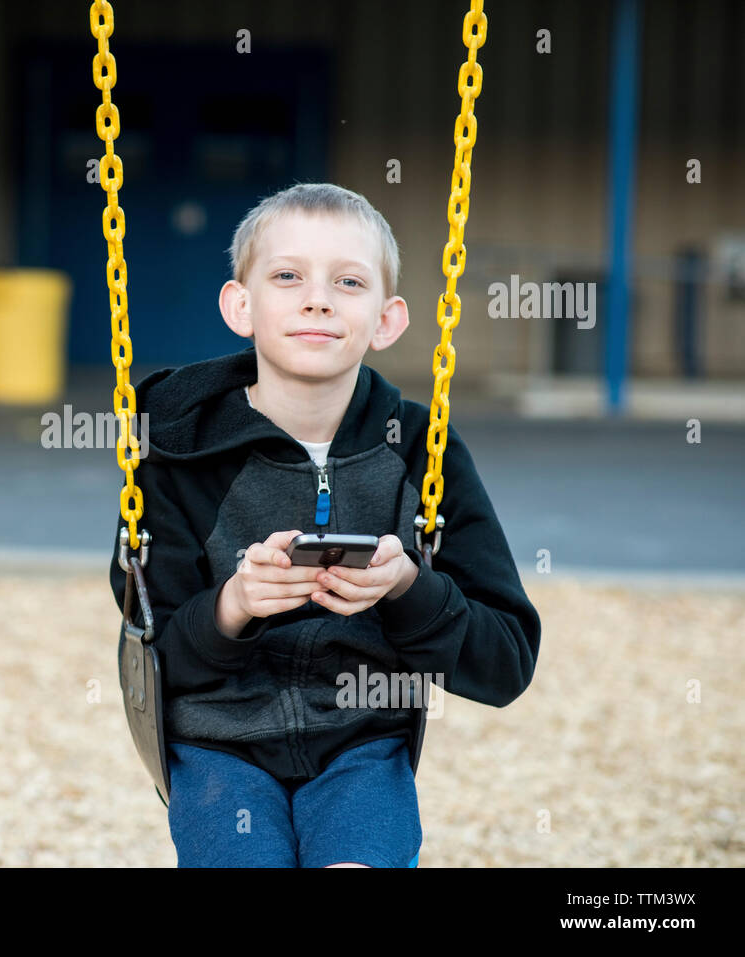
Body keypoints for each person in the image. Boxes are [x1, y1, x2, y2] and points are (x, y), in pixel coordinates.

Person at [108, 182, 541, 867]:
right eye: (288, 276)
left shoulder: (421, 451)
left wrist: (408, 588)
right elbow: (153, 657)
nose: (318, 298)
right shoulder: (175, 446)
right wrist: (233, 605)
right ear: (239, 306)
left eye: (348, 280)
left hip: (363, 744)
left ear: (388, 319)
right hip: (217, 748)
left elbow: (506, 661)